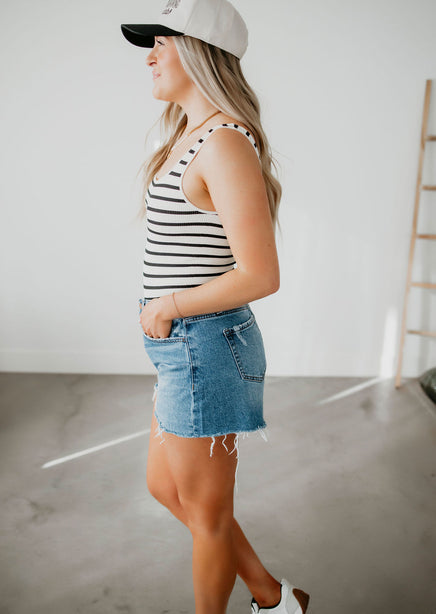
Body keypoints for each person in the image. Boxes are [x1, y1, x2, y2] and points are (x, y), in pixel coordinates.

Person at [121, 1, 310, 613]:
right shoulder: (189, 135)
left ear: (199, 52)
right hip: (183, 346)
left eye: (160, 44)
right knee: (166, 487)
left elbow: (261, 274)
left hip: (204, 345)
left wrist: (169, 305)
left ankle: (265, 603)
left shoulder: (224, 143)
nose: (149, 58)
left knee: (207, 514)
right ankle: (274, 597)